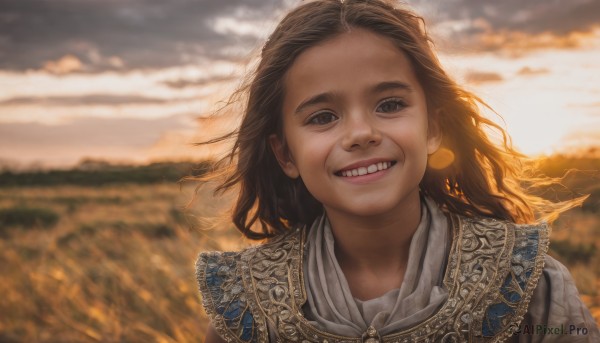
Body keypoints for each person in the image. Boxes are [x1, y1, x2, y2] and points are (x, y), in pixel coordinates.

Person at [195, 0, 600, 342]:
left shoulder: (530, 280)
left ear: (433, 128)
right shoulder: (241, 306)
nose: (361, 134)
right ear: (285, 154)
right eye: (323, 117)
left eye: (389, 105)